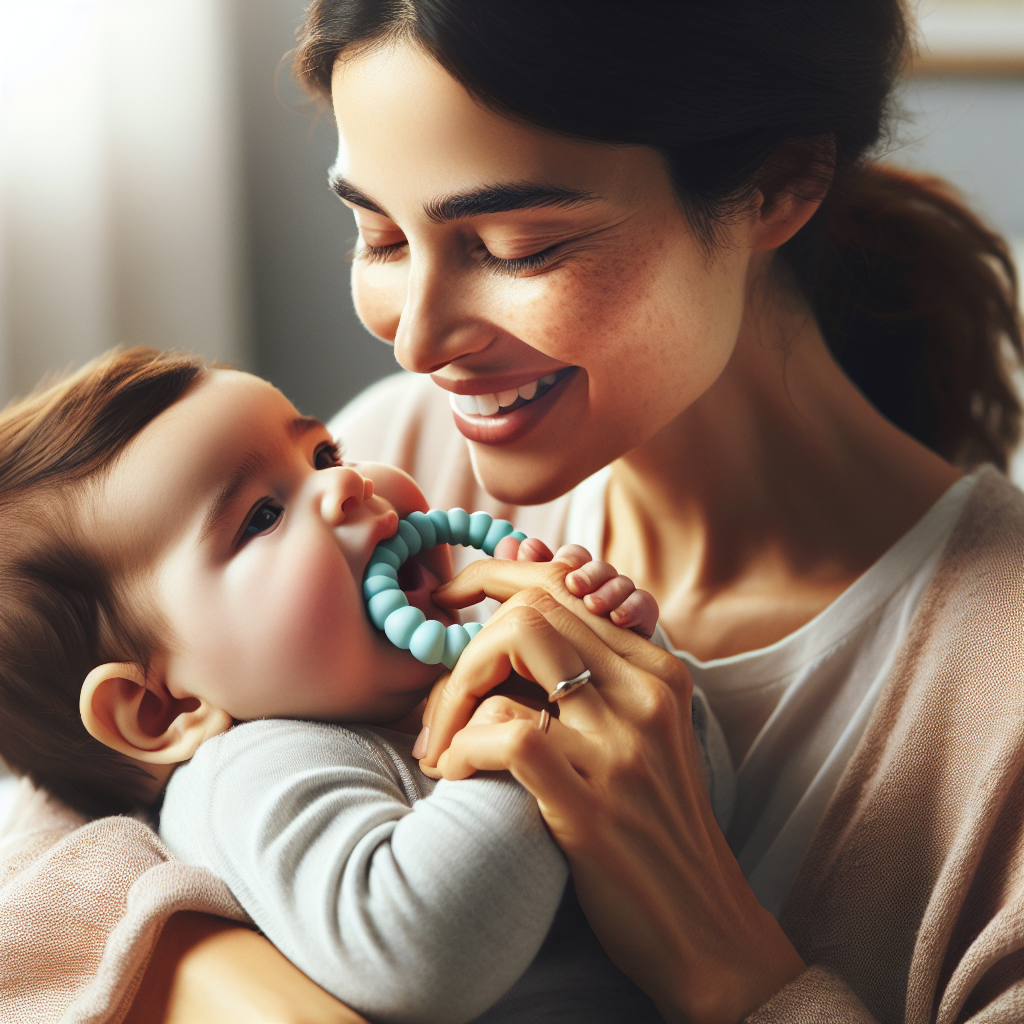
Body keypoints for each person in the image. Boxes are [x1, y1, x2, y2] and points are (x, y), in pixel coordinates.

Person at [2, 1, 1023, 1022]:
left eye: (516, 245)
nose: (417, 341)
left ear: (776, 187)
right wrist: (239, 988)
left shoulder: (993, 693)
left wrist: (725, 965)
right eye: (380, 235)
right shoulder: (405, 450)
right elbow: (40, 802)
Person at [1, 347, 726, 1023]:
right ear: (166, 707)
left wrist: (611, 659)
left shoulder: (456, 668)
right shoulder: (249, 770)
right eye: (261, 515)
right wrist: (527, 730)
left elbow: (710, 815)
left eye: (323, 453)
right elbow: (418, 954)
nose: (345, 484)